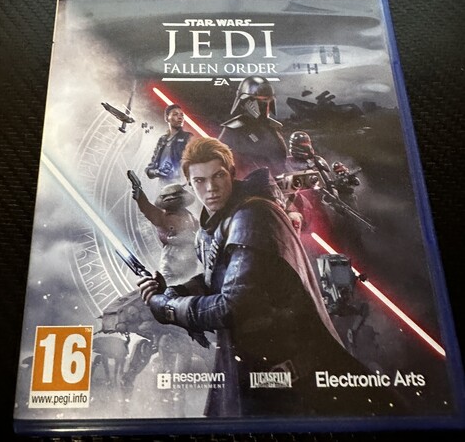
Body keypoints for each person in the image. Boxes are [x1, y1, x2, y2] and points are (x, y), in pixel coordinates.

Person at [138, 137, 403, 418]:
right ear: (191, 185)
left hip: (288, 382)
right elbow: (220, 278)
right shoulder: (223, 219)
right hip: (258, 373)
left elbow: (231, 307)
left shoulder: (252, 216)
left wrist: (167, 307)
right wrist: (174, 292)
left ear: (231, 173)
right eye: (200, 181)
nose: (211, 188)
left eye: (218, 176)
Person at [127, 171, 201, 285]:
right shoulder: (161, 217)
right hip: (172, 258)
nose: (171, 199)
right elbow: (147, 208)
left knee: (190, 283)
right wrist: (139, 192)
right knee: (169, 284)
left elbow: (200, 233)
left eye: (174, 195)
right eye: (167, 197)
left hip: (190, 258)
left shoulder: (191, 217)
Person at [218, 75, 287, 177]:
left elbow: (280, 161)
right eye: (261, 100)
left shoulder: (273, 127)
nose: (265, 105)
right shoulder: (234, 130)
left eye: (268, 100)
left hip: (279, 181)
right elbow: (218, 162)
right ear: (247, 100)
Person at [145, 104, 193, 183]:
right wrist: (156, 172)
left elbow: (193, 163)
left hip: (180, 184)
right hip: (162, 185)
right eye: (175, 114)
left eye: (182, 115)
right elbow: (150, 169)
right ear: (167, 118)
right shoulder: (162, 140)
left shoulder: (187, 137)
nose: (180, 117)